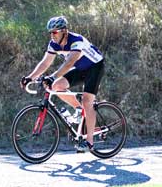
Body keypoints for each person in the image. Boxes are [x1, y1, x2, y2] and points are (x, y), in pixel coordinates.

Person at [20, 16, 105, 152]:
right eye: (50, 33)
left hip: (95, 67)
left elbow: (69, 62)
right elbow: (45, 63)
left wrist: (53, 76)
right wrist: (30, 78)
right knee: (57, 86)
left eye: (54, 32)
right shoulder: (53, 44)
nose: (52, 36)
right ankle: (79, 109)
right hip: (81, 68)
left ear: (64, 31)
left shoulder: (76, 40)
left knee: (87, 100)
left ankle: (89, 141)